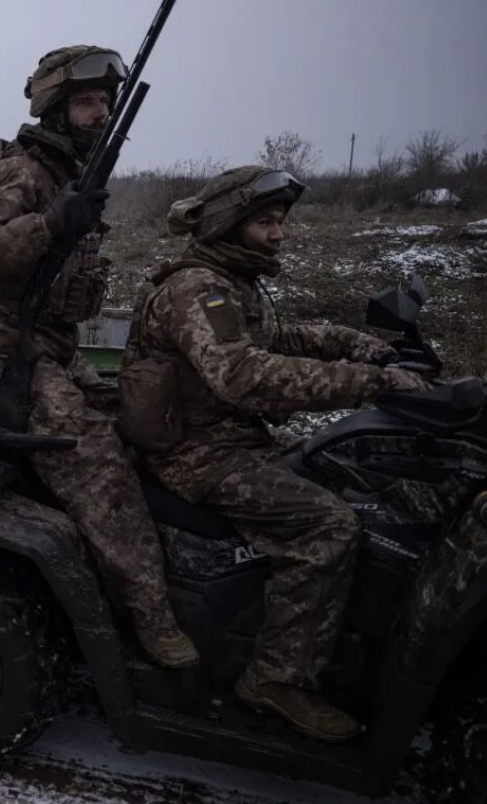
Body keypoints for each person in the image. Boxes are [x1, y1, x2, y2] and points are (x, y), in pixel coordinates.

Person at [119, 165, 429, 740]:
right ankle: (274, 678)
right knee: (328, 527)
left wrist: (360, 345)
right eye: (266, 222)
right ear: (231, 225)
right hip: (199, 455)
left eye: (280, 222)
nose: (278, 234)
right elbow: (241, 375)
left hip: (235, 438)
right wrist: (369, 382)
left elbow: (274, 339)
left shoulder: (233, 283)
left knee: (356, 479)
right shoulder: (197, 289)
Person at [0, 45, 198, 669]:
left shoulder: (70, 174)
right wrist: (49, 225)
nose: (99, 113)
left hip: (49, 346)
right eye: (86, 102)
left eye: (105, 103)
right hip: (1, 348)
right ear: (56, 110)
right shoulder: (26, 174)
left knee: (142, 417)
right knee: (99, 463)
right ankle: (150, 619)